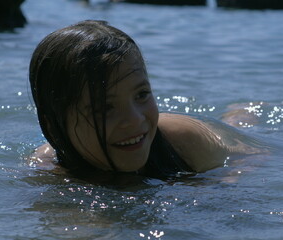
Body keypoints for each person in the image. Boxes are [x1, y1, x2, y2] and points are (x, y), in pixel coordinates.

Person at [29, 20, 260, 180]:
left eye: (142, 95)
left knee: (237, 125)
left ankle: (240, 111)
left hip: (216, 138)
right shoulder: (46, 169)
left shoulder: (187, 140)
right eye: (105, 107)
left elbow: (251, 156)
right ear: (53, 125)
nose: (134, 120)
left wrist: (222, 185)